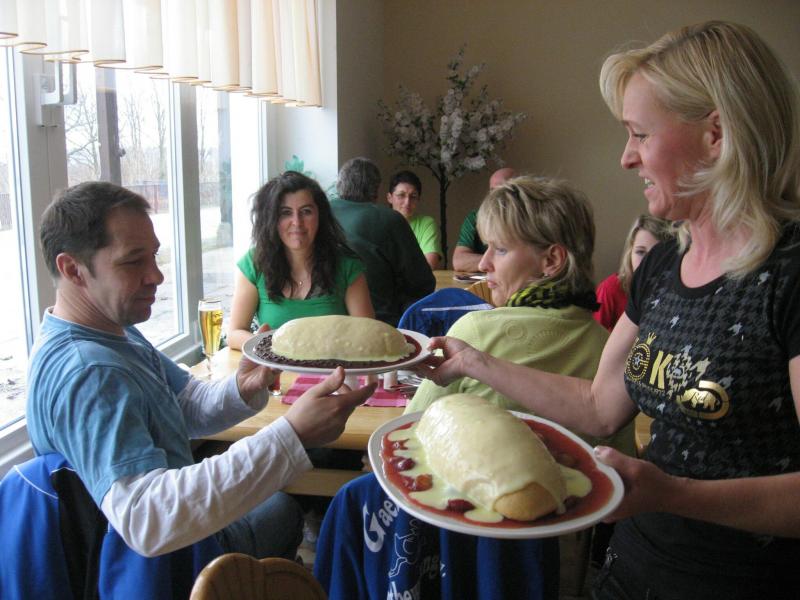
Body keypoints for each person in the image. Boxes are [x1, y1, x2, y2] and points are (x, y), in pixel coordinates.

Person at [416, 21, 800, 599]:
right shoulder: (664, 264)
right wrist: (472, 361)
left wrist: (675, 494)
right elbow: (599, 407)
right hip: (633, 569)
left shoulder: (789, 274)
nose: (626, 158)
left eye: (640, 134)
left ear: (715, 135)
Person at [27, 181, 377, 561]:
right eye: (133, 261)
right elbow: (146, 517)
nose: (157, 276)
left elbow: (186, 403)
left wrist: (243, 387)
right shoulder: (90, 372)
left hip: (174, 544)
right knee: (283, 511)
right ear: (73, 270)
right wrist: (291, 434)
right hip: (168, 564)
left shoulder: (113, 331)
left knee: (280, 506)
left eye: (154, 257)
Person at [407, 175, 633, 455]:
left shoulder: (474, 333)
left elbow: (409, 434)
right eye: (487, 247)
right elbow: (621, 459)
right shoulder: (607, 348)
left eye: (500, 249)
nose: (483, 263)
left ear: (551, 260)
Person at [227, 171, 373, 350]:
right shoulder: (254, 263)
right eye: (285, 213)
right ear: (271, 219)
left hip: (335, 365)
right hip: (273, 366)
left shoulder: (347, 266)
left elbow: (368, 336)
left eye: (306, 211)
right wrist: (264, 344)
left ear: (320, 216)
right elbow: (234, 333)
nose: (297, 222)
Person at [331, 157, 435, 326]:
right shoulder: (389, 219)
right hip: (381, 323)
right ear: (376, 191)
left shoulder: (321, 213)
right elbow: (424, 283)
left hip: (328, 319)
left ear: (340, 184)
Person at [593, 214, 671, 331]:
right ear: (630, 253)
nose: (647, 261)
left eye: (657, 254)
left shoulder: (675, 294)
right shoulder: (611, 289)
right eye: (640, 252)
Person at [451, 167, 516, 272]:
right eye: (493, 191)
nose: (496, 196)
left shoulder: (531, 220)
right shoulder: (476, 217)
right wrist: (501, 261)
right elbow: (459, 261)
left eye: (502, 190)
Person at [386, 170, 443, 270]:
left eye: (413, 196)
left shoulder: (426, 224)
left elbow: (429, 264)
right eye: (401, 195)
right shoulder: (379, 223)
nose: (407, 202)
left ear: (418, 199)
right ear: (389, 198)